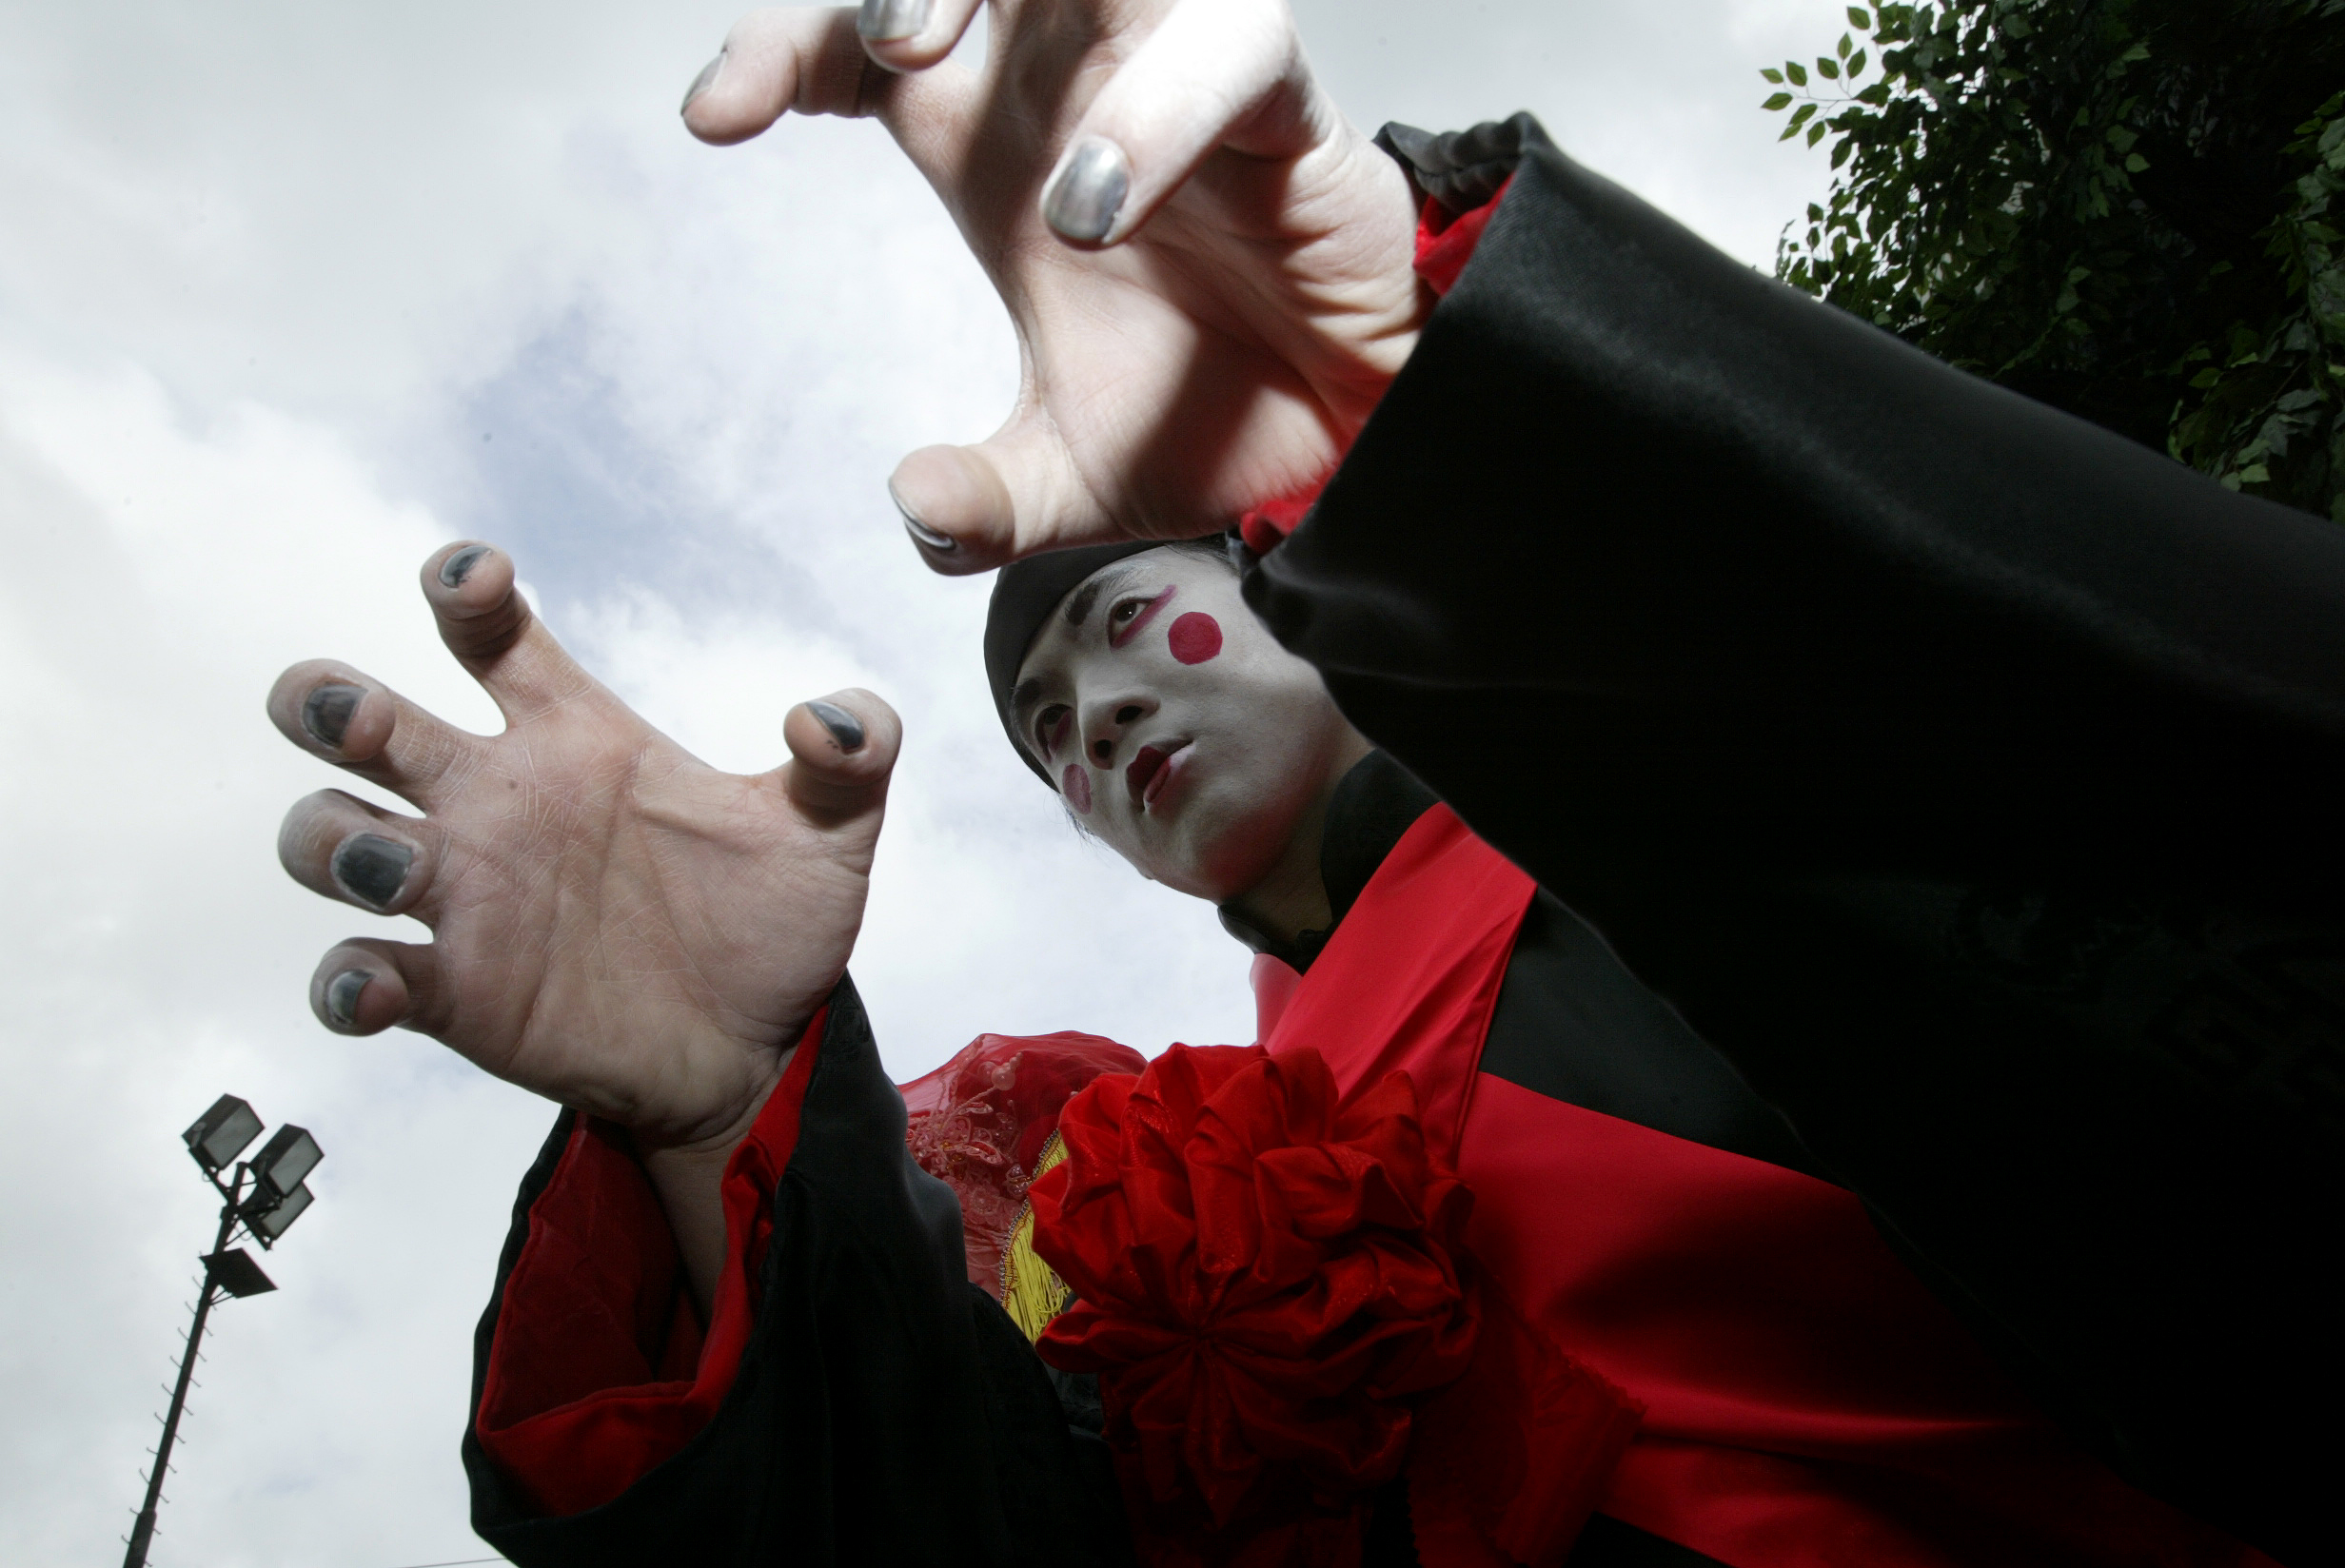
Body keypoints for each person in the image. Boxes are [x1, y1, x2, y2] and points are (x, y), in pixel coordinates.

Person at [267, 1, 2343, 1563]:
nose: (1095, 725)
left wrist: (1450, 426)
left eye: (1113, 629)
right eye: (1049, 738)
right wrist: (719, 1142)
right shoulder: (1128, 1164)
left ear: (1280, 576)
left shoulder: (1640, 786)